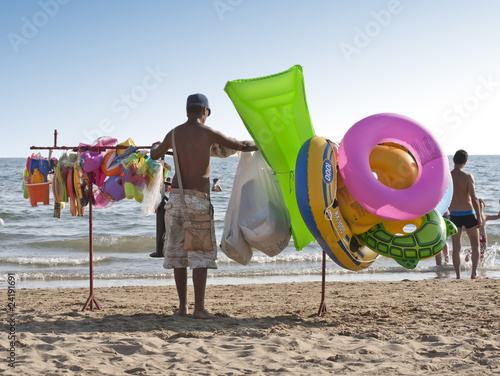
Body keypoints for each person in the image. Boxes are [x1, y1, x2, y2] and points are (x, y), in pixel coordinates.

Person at [150, 93, 257, 318]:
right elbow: (240, 145)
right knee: (199, 253)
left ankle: (182, 307)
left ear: (187, 111)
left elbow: (154, 154)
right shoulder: (208, 133)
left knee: (178, 253)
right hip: (197, 200)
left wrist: (157, 144)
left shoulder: (174, 133)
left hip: (176, 198)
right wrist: (262, 144)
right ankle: (199, 309)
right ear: (205, 112)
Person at [449, 149, 482, 279]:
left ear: (453, 160)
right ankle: (474, 273)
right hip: (468, 214)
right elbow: (474, 199)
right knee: (475, 245)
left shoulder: (447, 177)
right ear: (465, 162)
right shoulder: (468, 177)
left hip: (454, 215)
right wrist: (479, 217)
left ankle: (458, 276)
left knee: (456, 247)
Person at [465, 199, 500, 266]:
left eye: (481, 206)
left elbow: (498, 216)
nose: (480, 207)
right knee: (472, 252)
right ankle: (469, 263)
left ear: (484, 207)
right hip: (476, 237)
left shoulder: (485, 217)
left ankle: (481, 267)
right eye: (478, 206)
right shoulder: (473, 217)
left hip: (484, 238)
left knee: (482, 255)